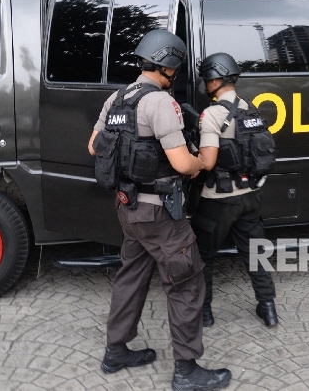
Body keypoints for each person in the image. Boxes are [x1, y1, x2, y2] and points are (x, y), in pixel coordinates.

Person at [88, 29, 231, 391]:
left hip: (128, 209)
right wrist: (200, 163)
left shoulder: (117, 99)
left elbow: (94, 147)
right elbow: (182, 164)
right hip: (160, 215)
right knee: (186, 281)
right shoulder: (160, 104)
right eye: (177, 69)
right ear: (169, 66)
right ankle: (187, 371)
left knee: (131, 276)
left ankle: (115, 351)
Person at [191, 52, 278, 328]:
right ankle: (268, 308)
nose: (205, 84)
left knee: (202, 257)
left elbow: (208, 162)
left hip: (219, 199)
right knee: (255, 254)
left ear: (215, 80)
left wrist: (191, 150)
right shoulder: (250, 109)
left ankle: (204, 313)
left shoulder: (213, 114)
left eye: (207, 79)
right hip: (250, 196)